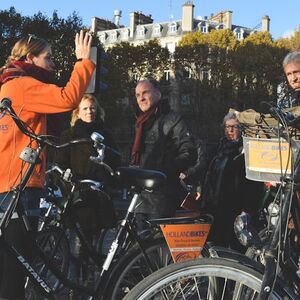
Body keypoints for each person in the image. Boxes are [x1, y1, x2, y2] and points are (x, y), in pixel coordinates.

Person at [0, 30, 94, 299]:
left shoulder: (7, 84)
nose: (53, 63)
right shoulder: (23, 85)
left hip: (7, 184)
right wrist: (83, 61)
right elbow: (67, 99)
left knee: (8, 265)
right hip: (21, 184)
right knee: (16, 270)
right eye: (48, 57)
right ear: (30, 58)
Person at [131, 78, 197, 228]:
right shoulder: (140, 122)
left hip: (162, 194)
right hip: (142, 193)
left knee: (154, 243)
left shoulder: (173, 120)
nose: (141, 98)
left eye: (145, 92)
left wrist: (164, 171)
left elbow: (189, 152)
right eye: (137, 95)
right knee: (139, 245)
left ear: (158, 93)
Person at [55, 94, 120, 236]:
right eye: (85, 108)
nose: (89, 112)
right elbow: (61, 162)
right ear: (77, 112)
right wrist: (66, 177)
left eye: (92, 108)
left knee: (98, 239)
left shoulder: (106, 135)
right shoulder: (68, 135)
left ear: (97, 110)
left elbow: (116, 160)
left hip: (100, 192)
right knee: (78, 239)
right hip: (78, 192)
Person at [201, 112, 263, 251]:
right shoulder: (218, 149)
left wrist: (248, 209)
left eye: (234, 127)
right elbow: (209, 175)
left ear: (241, 129)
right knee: (216, 247)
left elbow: (253, 183)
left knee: (237, 248)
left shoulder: (246, 150)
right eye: (227, 127)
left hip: (235, 207)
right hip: (215, 207)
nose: (229, 130)